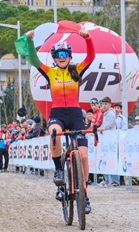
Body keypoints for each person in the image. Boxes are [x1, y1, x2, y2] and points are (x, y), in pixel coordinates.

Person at [15, 27, 94, 214]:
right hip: (57, 114)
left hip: (75, 115)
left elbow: (91, 56)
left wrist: (88, 38)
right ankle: (59, 169)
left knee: (82, 156)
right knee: (53, 133)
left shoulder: (77, 70)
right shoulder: (50, 72)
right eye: (58, 54)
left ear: (69, 56)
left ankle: (85, 193)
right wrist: (29, 41)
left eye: (64, 53)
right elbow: (33, 59)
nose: (61, 56)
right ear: (54, 57)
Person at [96, 97, 120, 187]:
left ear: (110, 105)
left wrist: (98, 129)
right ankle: (107, 179)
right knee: (105, 159)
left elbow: (107, 126)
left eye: (106, 104)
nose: (104, 105)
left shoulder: (110, 114)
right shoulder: (105, 114)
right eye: (103, 104)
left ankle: (115, 180)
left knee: (112, 160)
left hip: (111, 141)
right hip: (106, 141)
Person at [114, 102, 128, 186]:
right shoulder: (111, 117)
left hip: (119, 140)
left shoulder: (122, 119)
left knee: (120, 159)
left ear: (120, 109)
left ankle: (121, 178)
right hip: (112, 141)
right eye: (115, 107)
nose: (116, 109)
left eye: (118, 108)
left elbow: (124, 129)